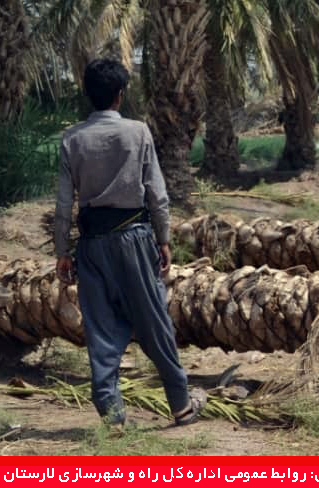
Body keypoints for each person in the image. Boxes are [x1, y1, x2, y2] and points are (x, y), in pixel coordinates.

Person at [53, 59, 205, 428]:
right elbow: (157, 192)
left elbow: (62, 205)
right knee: (154, 323)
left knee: (101, 331)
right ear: (120, 95)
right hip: (134, 239)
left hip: (91, 245)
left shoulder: (72, 139)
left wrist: (62, 252)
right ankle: (181, 404)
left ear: (89, 95)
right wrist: (164, 238)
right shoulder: (138, 133)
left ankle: (113, 417)